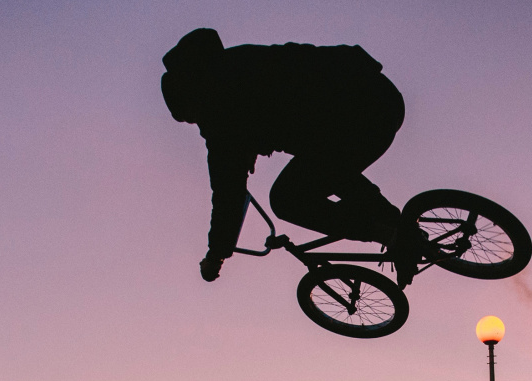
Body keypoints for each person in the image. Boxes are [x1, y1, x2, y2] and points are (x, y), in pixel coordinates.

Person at [161, 28, 411, 283]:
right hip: (379, 97)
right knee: (322, 169)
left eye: (190, 117)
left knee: (286, 198)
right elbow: (273, 102)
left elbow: (228, 191)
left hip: (358, 114)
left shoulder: (218, 107)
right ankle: (401, 229)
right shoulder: (237, 63)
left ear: (192, 94)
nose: (197, 124)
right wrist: (251, 145)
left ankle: (390, 235)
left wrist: (217, 254)